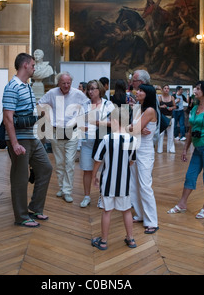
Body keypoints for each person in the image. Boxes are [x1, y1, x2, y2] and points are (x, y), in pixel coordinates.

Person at [2, 53, 52, 227]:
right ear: (24, 65)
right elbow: (7, 117)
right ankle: (21, 217)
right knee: (20, 177)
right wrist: (14, 143)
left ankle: (35, 207)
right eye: (32, 65)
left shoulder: (27, 86)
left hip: (31, 136)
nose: (34, 67)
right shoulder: (12, 87)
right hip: (19, 139)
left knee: (45, 168)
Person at [167, 81, 204, 219]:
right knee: (190, 175)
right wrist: (185, 149)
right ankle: (182, 204)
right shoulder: (194, 109)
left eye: (198, 89)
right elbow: (190, 131)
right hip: (197, 148)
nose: (195, 90)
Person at [91, 107, 138, 250]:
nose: (108, 122)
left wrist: (94, 176)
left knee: (107, 211)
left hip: (108, 182)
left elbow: (98, 160)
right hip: (124, 183)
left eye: (110, 119)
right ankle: (130, 239)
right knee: (126, 210)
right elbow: (131, 161)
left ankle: (104, 241)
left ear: (116, 121)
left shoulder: (106, 139)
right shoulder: (132, 140)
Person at [38, 72, 87, 203]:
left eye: (68, 83)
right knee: (60, 162)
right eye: (64, 83)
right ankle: (62, 187)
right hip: (56, 131)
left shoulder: (77, 93)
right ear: (58, 83)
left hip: (72, 131)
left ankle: (67, 190)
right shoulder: (52, 93)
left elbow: (86, 107)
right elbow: (40, 104)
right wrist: (47, 117)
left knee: (70, 162)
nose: (66, 85)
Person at [127, 84, 159, 235]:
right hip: (135, 149)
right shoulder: (138, 108)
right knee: (134, 184)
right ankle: (140, 214)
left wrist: (134, 128)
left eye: (140, 91)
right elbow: (131, 129)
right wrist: (135, 128)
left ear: (148, 94)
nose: (137, 92)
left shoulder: (150, 110)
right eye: (137, 90)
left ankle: (152, 221)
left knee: (145, 185)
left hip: (145, 151)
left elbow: (132, 129)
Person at [79, 80, 115, 208]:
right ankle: (87, 196)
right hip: (88, 141)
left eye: (93, 88)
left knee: (104, 170)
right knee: (87, 170)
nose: (90, 91)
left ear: (99, 90)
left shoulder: (108, 104)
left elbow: (116, 123)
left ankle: (102, 197)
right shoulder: (85, 105)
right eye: (88, 89)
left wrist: (100, 123)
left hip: (103, 141)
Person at [157, 84, 176, 154]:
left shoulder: (172, 97)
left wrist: (172, 108)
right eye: (165, 88)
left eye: (167, 88)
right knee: (161, 134)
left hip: (170, 117)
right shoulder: (160, 98)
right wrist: (161, 106)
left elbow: (175, 106)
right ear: (162, 89)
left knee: (171, 134)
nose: (166, 90)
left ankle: (171, 149)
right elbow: (157, 107)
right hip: (162, 117)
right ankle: (159, 149)